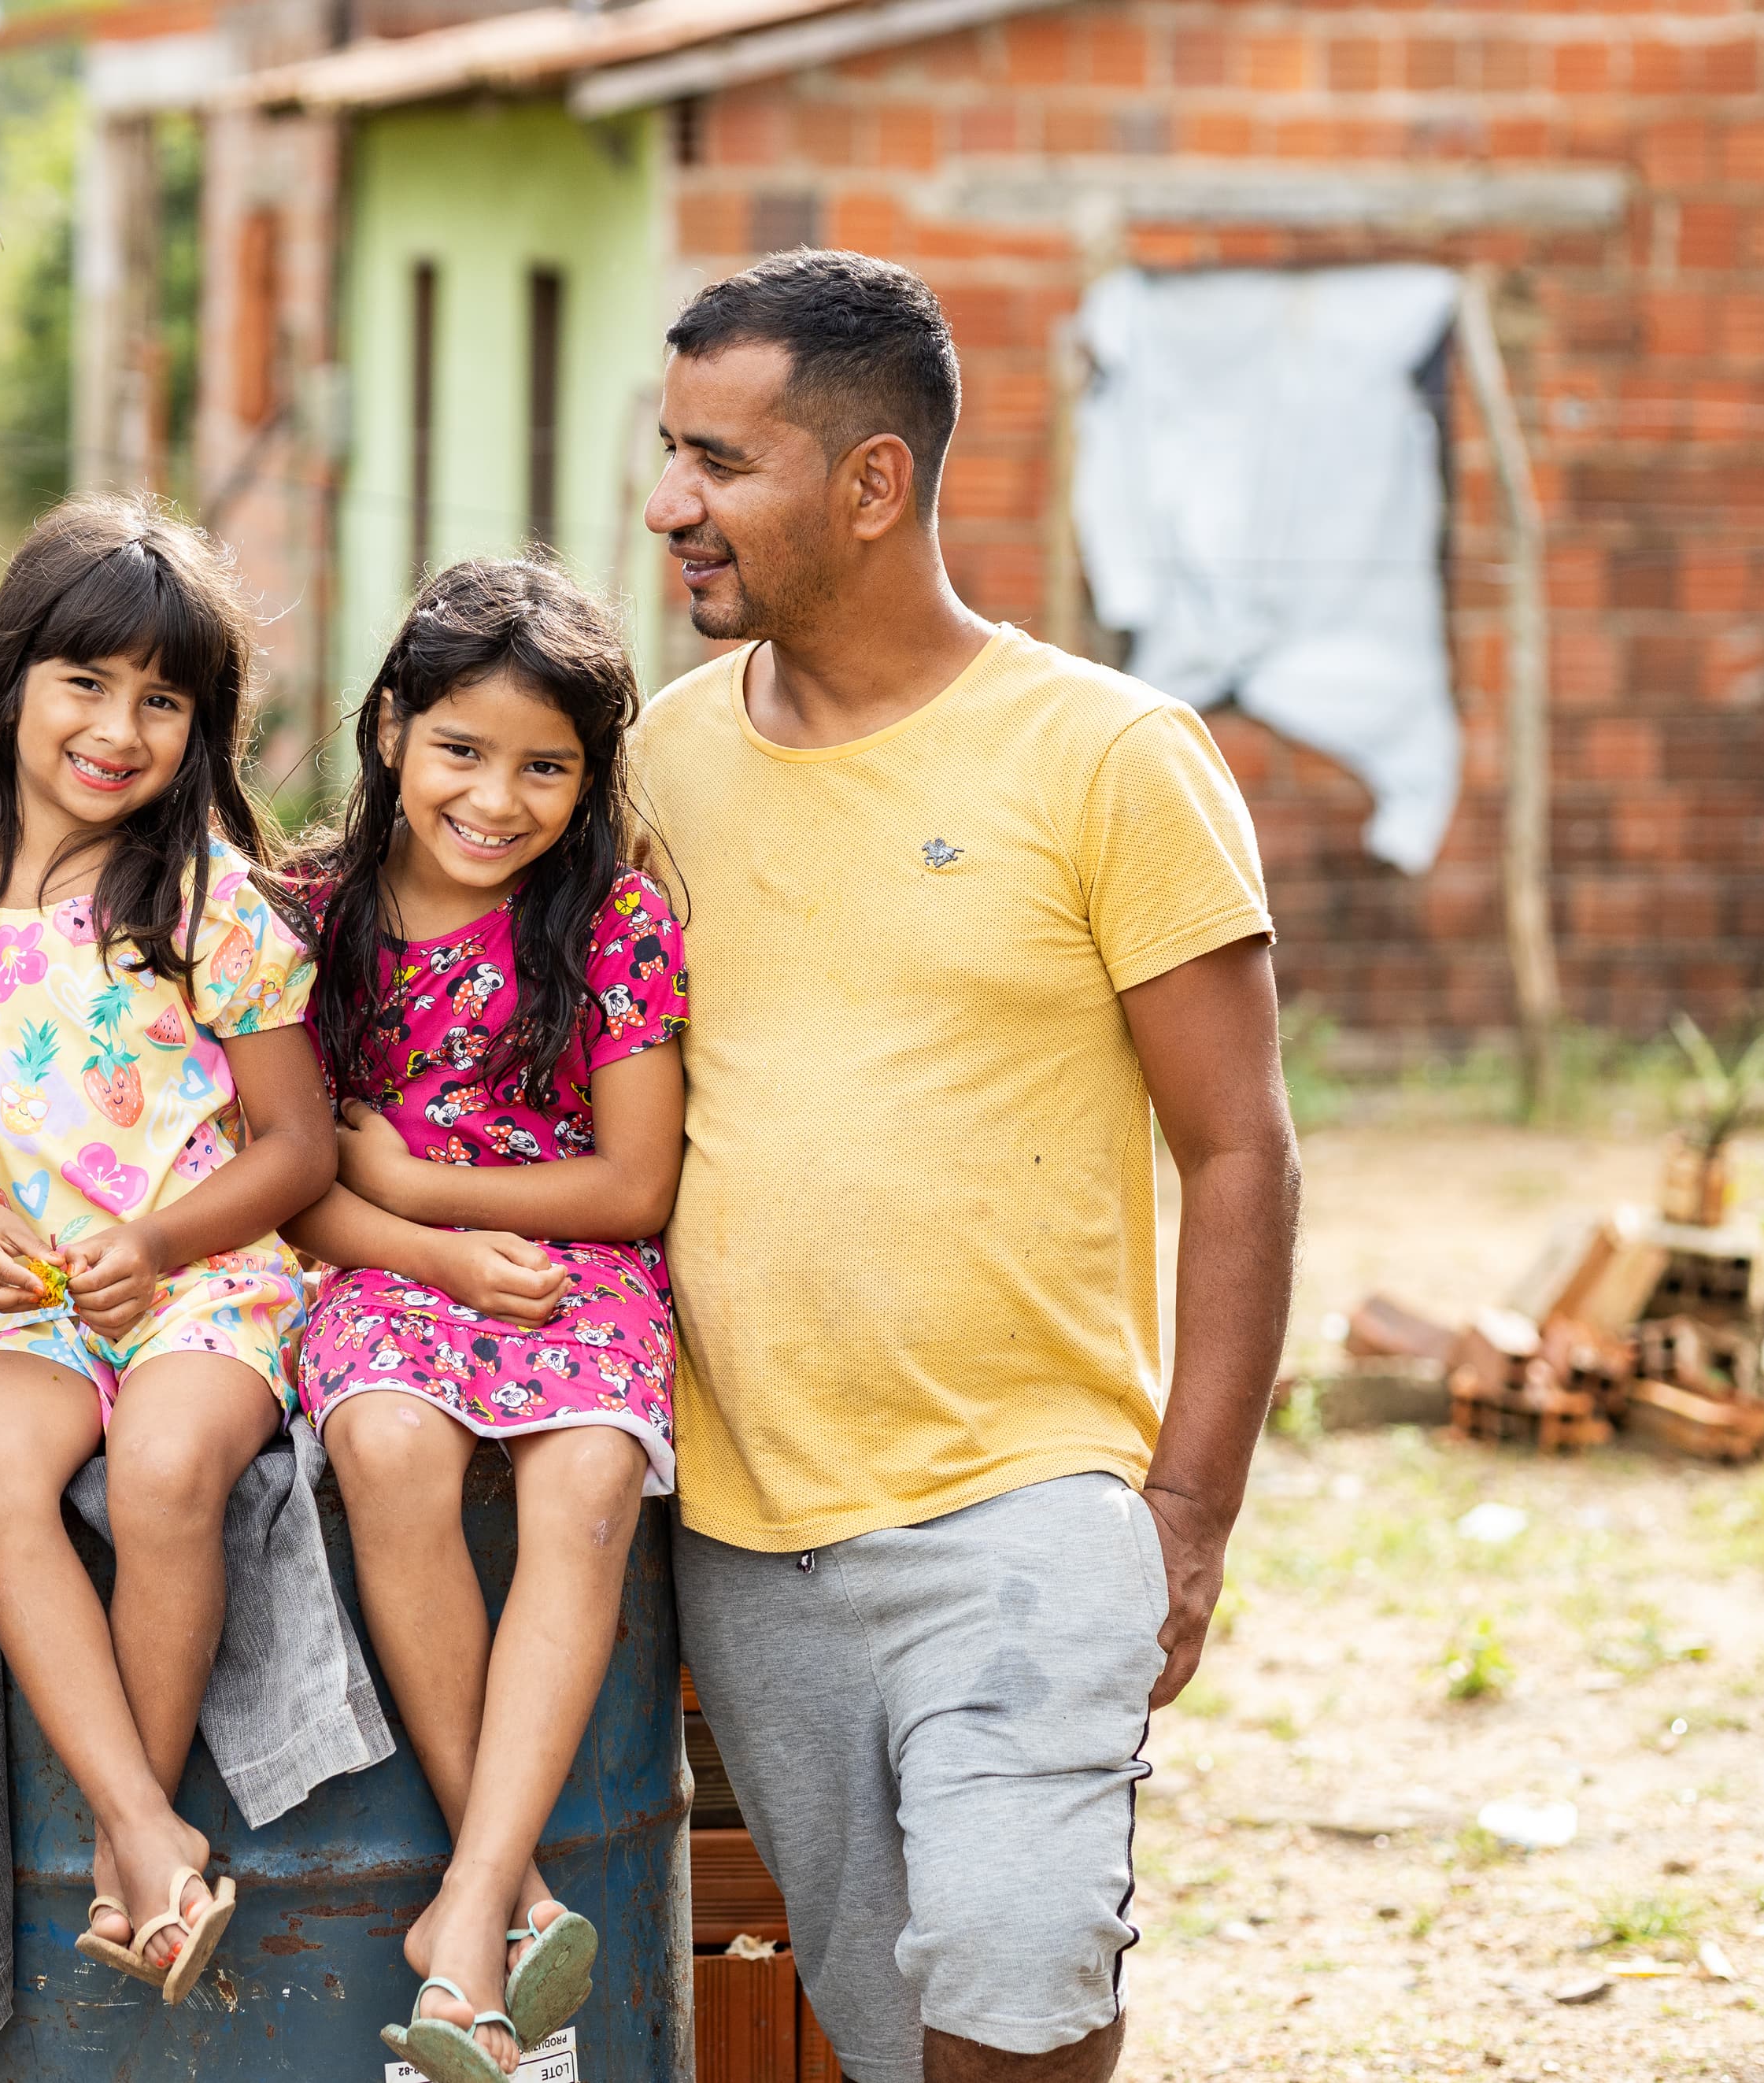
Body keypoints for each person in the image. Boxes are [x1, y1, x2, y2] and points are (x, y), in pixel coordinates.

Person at [634, 250, 1301, 2083]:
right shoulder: (662, 762)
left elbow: (1239, 1147)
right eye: (668, 450)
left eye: (719, 460)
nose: (670, 501)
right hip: (751, 1529)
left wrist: (1190, 1511)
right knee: (880, 2019)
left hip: (1024, 1508)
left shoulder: (1111, 759)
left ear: (872, 483)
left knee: (1016, 1976)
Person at [0, 497, 334, 2005]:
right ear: (11, 685)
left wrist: (162, 1237)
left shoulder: (207, 906)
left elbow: (297, 1146)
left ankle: (130, 1839)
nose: (120, 728)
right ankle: (151, 1837)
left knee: (172, 1465)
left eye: (162, 699)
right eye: (86, 683)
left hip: (202, 1278)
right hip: (15, 1293)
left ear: (202, 726)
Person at [277, 559, 688, 2083]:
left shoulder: (616, 922)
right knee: (385, 1440)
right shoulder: (310, 921)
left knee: (587, 1477)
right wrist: (437, 1247)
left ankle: (459, 1918)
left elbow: (637, 1179)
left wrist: (443, 1185)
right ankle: (507, 1902)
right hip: (384, 1259)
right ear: (391, 730)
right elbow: (297, 1184)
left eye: (545, 768)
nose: (497, 798)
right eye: (462, 749)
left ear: (590, 781)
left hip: (576, 1261)